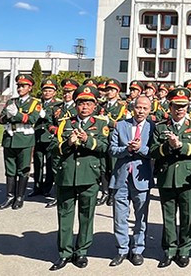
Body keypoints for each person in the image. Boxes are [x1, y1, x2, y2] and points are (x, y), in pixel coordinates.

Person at [50, 85, 110, 271]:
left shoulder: (100, 124)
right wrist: (68, 143)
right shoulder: (65, 123)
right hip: (67, 175)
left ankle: (82, 251)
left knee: (86, 215)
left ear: (95, 106)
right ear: (76, 105)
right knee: (64, 215)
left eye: (89, 103)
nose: (85, 107)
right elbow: (53, 148)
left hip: (89, 176)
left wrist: (87, 140)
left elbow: (105, 147)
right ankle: (64, 253)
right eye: (81, 103)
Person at [151, 88, 191, 268]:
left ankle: (185, 250)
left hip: (187, 178)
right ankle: (170, 250)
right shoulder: (161, 126)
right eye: (176, 106)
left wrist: (180, 145)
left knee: (187, 216)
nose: (180, 109)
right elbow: (153, 151)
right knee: (169, 216)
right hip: (167, 176)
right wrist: (168, 146)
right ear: (170, 106)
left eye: (183, 106)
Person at [109, 95, 153, 267]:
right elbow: (112, 149)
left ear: (150, 110)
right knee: (120, 216)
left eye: (145, 108)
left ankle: (137, 250)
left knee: (141, 216)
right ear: (132, 108)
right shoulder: (121, 125)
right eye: (138, 107)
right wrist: (127, 149)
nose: (140, 111)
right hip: (121, 177)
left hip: (141, 177)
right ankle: (122, 250)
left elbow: (155, 151)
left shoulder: (152, 127)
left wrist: (141, 148)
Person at [0, 74, 42, 210]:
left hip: (25, 139)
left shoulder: (35, 103)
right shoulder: (11, 102)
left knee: (23, 169)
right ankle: (9, 196)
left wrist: (15, 114)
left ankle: (19, 197)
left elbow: (32, 119)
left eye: (23, 86)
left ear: (30, 88)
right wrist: (8, 116)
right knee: (10, 169)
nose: (20, 88)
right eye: (18, 86)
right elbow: (1, 119)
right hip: (9, 138)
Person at [46, 78, 79, 208]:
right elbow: (49, 123)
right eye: (65, 92)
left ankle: (73, 193)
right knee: (56, 168)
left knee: (71, 168)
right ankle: (57, 195)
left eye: (70, 92)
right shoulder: (56, 108)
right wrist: (55, 130)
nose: (66, 95)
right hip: (58, 141)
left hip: (73, 141)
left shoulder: (79, 107)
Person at [99, 78, 128, 206]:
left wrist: (108, 122)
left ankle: (113, 193)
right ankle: (105, 192)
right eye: (107, 90)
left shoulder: (122, 107)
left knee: (113, 167)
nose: (109, 92)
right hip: (102, 138)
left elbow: (122, 124)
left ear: (117, 92)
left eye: (112, 90)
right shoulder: (102, 106)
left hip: (114, 138)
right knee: (103, 167)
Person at [30, 78, 62, 198]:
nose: (47, 93)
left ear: (54, 92)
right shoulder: (37, 104)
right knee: (37, 164)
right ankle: (37, 187)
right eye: (45, 90)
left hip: (50, 137)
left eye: (50, 91)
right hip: (38, 136)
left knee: (49, 164)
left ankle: (47, 188)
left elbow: (57, 121)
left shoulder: (57, 105)